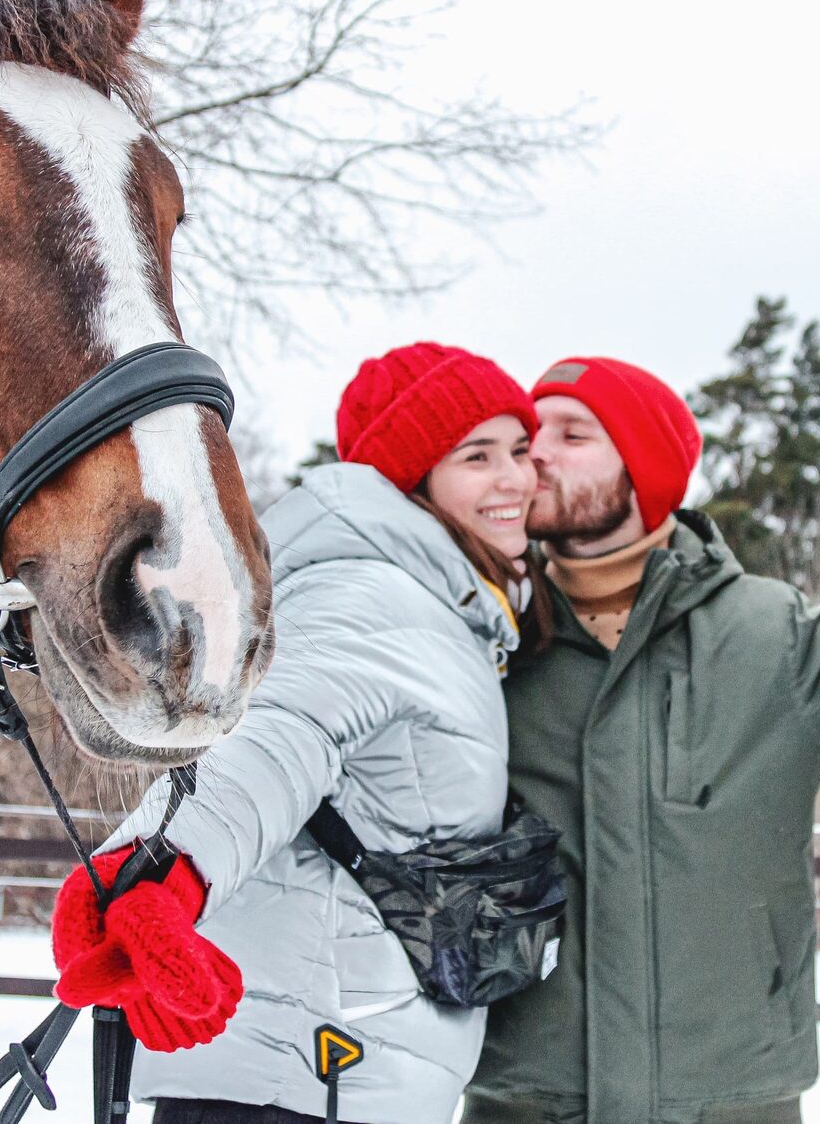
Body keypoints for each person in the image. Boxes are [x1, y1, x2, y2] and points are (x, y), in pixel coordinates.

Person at [461, 355, 820, 1124]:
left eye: (572, 433)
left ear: (643, 468)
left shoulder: (773, 635)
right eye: (530, 432)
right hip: (522, 1099)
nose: (534, 452)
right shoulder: (483, 629)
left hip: (733, 1098)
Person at [51, 342, 549, 1124]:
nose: (514, 479)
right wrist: (159, 878)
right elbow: (277, 739)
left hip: (325, 1064)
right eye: (477, 456)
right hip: (303, 1072)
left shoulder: (441, 599)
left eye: (520, 450)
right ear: (412, 478)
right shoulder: (372, 593)